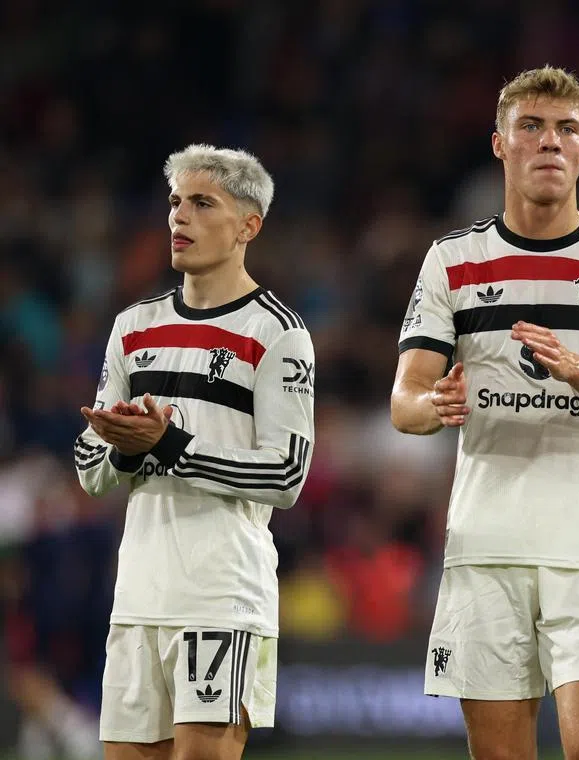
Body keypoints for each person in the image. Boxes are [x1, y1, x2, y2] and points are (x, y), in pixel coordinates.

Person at [391, 65, 579, 760]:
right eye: (531, 126)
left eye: (566, 129)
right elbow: (405, 401)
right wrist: (435, 403)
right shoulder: (453, 260)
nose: (550, 141)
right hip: (486, 546)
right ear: (500, 143)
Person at [73, 144, 316, 760]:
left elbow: (287, 473)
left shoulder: (276, 332)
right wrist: (127, 449)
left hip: (221, 596)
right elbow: (90, 469)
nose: (179, 217)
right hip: (137, 596)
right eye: (175, 202)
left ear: (248, 226)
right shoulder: (133, 326)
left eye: (202, 203)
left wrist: (170, 445)